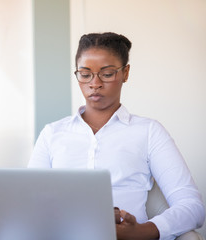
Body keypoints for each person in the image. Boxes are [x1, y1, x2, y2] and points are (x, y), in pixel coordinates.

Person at [28, 32, 205, 240]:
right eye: (85, 74)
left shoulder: (149, 132)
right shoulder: (52, 134)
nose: (95, 83)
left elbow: (192, 206)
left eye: (107, 73)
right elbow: (30, 202)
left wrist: (143, 231)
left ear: (125, 73)